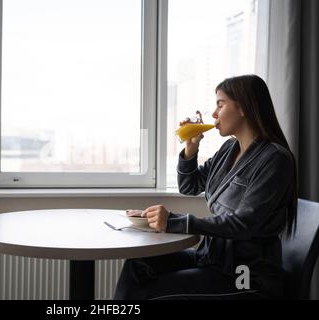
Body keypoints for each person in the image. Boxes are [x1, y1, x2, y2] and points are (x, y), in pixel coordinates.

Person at [114, 74, 297, 300]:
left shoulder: (275, 159)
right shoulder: (228, 150)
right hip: (211, 258)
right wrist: (191, 148)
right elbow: (189, 186)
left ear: (244, 107)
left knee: (153, 291)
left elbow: (244, 223)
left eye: (220, 104)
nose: (213, 113)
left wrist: (173, 221)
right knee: (138, 264)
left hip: (245, 274)